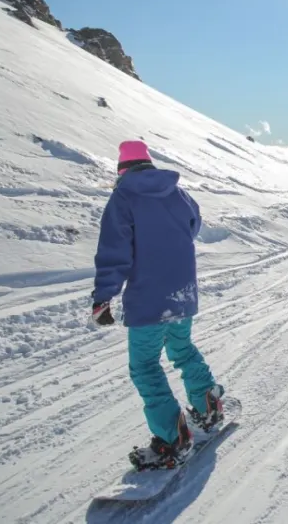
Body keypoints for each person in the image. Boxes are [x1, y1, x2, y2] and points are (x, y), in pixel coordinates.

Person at [91, 140, 225, 471]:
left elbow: (114, 250)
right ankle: (208, 406)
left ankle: (172, 439)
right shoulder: (178, 193)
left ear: (122, 169)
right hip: (182, 292)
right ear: (148, 163)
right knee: (182, 349)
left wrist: (103, 296)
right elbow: (193, 226)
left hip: (149, 298)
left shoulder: (124, 197)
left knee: (146, 366)